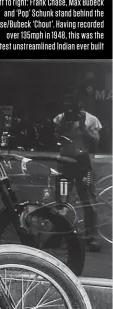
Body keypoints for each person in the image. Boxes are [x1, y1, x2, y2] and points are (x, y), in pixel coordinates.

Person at [53, 89, 102, 252]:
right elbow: (53, 139)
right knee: (61, 200)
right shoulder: (60, 118)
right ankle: (59, 234)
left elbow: (95, 144)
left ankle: (91, 236)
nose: (71, 109)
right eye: (68, 105)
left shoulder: (91, 120)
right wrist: (64, 126)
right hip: (65, 163)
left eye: (74, 105)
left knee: (88, 200)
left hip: (82, 163)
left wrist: (82, 126)